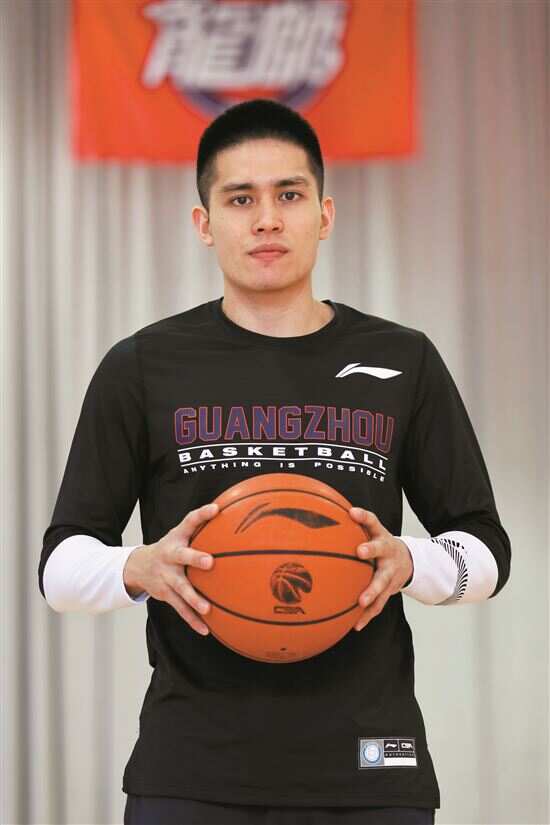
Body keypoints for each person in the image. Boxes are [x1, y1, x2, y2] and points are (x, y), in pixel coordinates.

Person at [39, 99, 511, 825]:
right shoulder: (142, 366)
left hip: (369, 767)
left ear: (324, 214)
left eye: (289, 195)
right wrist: (140, 567)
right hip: (192, 767)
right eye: (240, 199)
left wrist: (410, 561)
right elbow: (59, 568)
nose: (266, 220)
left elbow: (487, 552)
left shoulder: (402, 359)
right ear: (205, 223)